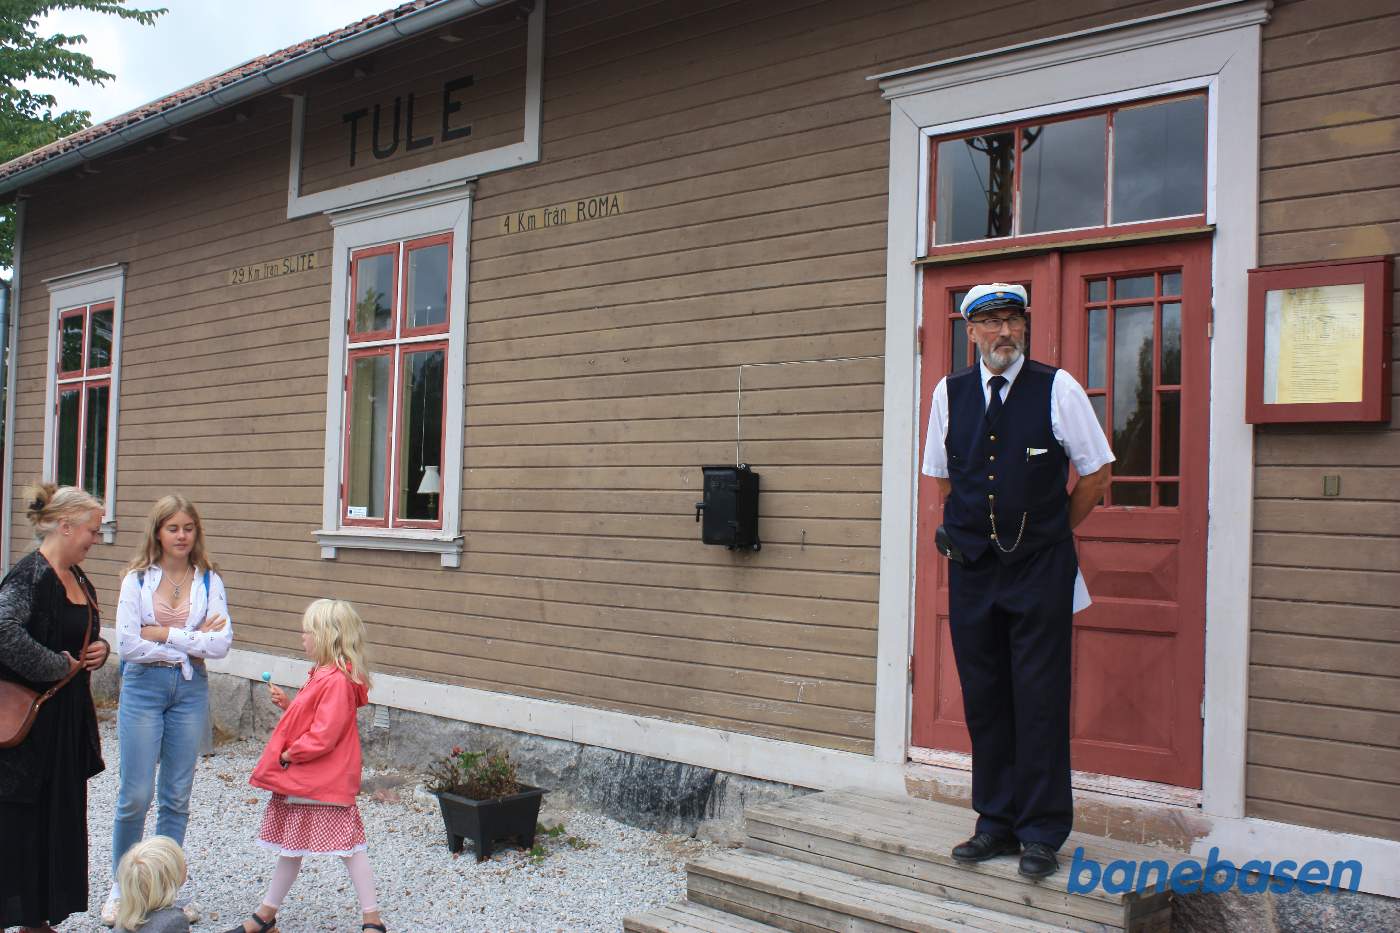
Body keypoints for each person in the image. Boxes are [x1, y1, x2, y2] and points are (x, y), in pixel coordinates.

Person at [922, 283, 1114, 880]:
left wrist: (1048, 532)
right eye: (992, 322)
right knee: (985, 697)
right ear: (971, 331)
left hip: (1039, 570)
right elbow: (944, 479)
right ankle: (995, 823)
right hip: (974, 570)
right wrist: (979, 534)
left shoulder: (1058, 388)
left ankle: (1041, 833)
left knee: (1039, 698)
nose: (1004, 332)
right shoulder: (949, 393)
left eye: (1013, 320)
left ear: (1024, 326)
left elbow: (1097, 475)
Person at [105, 495, 233, 927]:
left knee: (176, 796)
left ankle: (163, 891)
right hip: (143, 688)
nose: (181, 536)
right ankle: (122, 888)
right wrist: (191, 638)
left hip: (190, 690)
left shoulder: (209, 580)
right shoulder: (137, 579)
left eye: (188, 528)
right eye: (173, 528)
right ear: (158, 532)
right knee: (135, 795)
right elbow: (128, 645)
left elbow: (221, 644)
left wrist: (163, 632)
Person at [223, 599, 386, 933]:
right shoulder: (324, 675)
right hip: (313, 780)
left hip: (319, 780)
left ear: (326, 636)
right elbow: (316, 718)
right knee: (299, 847)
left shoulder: (335, 680)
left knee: (347, 848)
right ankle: (265, 916)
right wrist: (291, 705)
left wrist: (289, 755)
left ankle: (372, 920)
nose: (303, 637)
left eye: (308, 632)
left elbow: (324, 735)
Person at [0, 483, 111, 932]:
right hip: (29, 724)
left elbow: (81, 632)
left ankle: (35, 918)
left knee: (54, 818)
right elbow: (2, 630)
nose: (96, 539)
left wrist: (99, 649)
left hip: (64, 722)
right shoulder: (30, 575)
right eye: (92, 530)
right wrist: (55, 665)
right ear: (65, 526)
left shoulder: (77, 577)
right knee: (19, 823)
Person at [113, 836, 190, 933]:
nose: (186, 865)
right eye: (182, 863)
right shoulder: (174, 921)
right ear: (167, 881)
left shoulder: (124, 920)